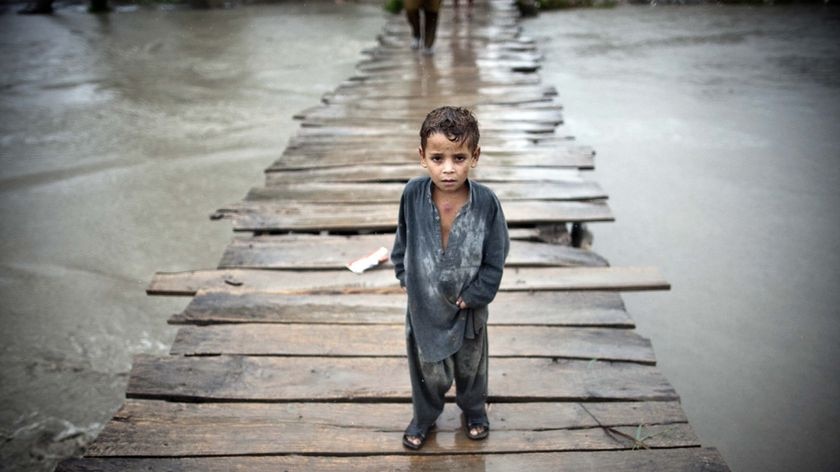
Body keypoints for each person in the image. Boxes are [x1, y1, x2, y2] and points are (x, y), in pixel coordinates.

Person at [391, 106, 510, 450]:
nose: (447, 169)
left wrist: (478, 293)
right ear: (422, 157)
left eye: (458, 158)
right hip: (425, 307)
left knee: (471, 366)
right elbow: (402, 239)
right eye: (437, 158)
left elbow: (497, 254)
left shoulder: (486, 202)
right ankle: (424, 417)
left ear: (475, 156)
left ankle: (474, 411)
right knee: (427, 369)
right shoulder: (412, 195)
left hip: (468, 308)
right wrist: (405, 276)